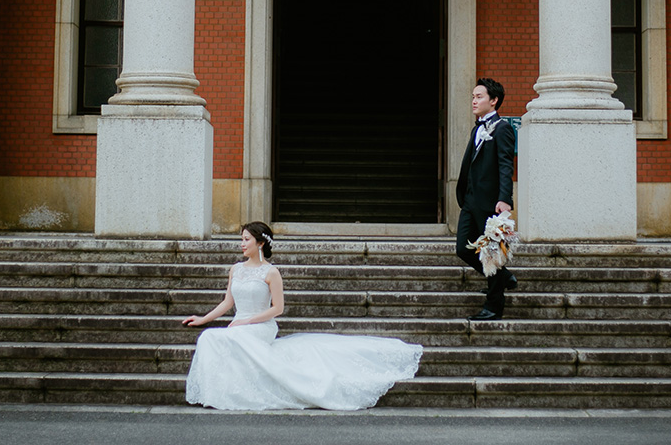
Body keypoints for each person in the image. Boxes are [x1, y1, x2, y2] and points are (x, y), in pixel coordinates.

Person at [182, 221, 423, 410]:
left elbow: (278, 309)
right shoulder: (236, 269)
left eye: (246, 239)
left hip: (261, 325)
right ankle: (222, 393)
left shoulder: (271, 272)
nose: (242, 244)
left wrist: (246, 320)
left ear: (260, 243)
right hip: (239, 325)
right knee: (209, 337)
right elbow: (228, 302)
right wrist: (202, 319)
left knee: (226, 337)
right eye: (241, 240)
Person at [455, 77, 517, 320]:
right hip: (470, 200)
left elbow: (505, 165)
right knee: (463, 247)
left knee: (492, 253)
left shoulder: (502, 128)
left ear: (494, 101)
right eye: (473, 96)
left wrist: (505, 198)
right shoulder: (477, 128)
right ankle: (503, 277)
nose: (474, 100)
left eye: (479, 97)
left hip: (491, 201)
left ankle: (493, 306)